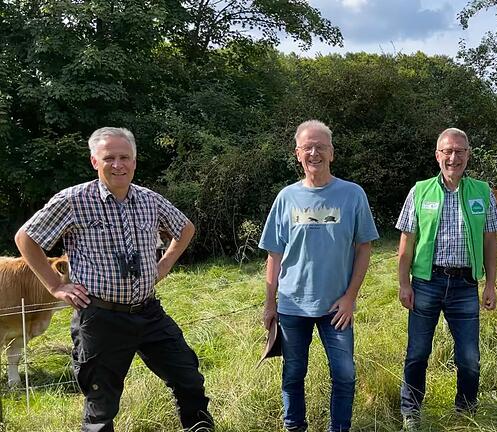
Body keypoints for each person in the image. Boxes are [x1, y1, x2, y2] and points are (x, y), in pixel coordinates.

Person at [15, 127, 214, 432]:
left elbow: (184, 228)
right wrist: (55, 285)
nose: (118, 164)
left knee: (188, 377)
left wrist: (164, 265)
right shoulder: (74, 200)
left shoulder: (149, 200)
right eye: (110, 157)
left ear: (134, 161)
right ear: (95, 161)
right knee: (101, 403)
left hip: (148, 312)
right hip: (100, 316)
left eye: (125, 157)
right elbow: (26, 238)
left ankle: (199, 427)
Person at [259, 120, 379, 432]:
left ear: (332, 153)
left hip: (336, 307)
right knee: (293, 373)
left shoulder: (352, 195)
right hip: (292, 305)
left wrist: (350, 298)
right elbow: (274, 254)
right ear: (298, 154)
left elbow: (363, 248)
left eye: (321, 146)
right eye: (307, 147)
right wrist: (270, 304)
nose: (314, 153)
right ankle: (294, 426)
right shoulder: (286, 198)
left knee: (344, 374)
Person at [396, 127, 497, 430]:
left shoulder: (482, 192)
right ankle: (411, 411)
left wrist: (491, 283)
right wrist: (404, 283)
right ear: (437, 155)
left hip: (466, 285)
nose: (453, 157)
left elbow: (490, 240)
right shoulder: (420, 191)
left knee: (469, 357)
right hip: (427, 283)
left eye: (460, 151)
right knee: (417, 352)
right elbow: (407, 241)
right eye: (448, 151)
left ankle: (466, 411)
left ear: (468, 155)